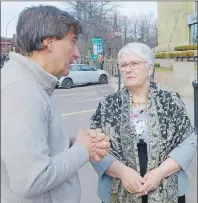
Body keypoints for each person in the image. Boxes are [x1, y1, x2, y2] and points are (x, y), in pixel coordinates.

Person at [1, 5, 111, 203]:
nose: (77, 53)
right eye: (73, 42)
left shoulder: (34, 83)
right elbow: (32, 180)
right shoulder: (21, 91)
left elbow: (40, 143)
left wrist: (75, 143)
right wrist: (82, 150)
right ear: (49, 42)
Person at [90, 42, 197, 203]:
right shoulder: (107, 105)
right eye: (123, 65)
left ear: (150, 68)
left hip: (167, 186)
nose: (127, 69)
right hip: (119, 188)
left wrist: (160, 172)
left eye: (134, 63)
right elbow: (93, 147)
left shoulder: (170, 100)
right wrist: (123, 172)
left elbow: (189, 142)